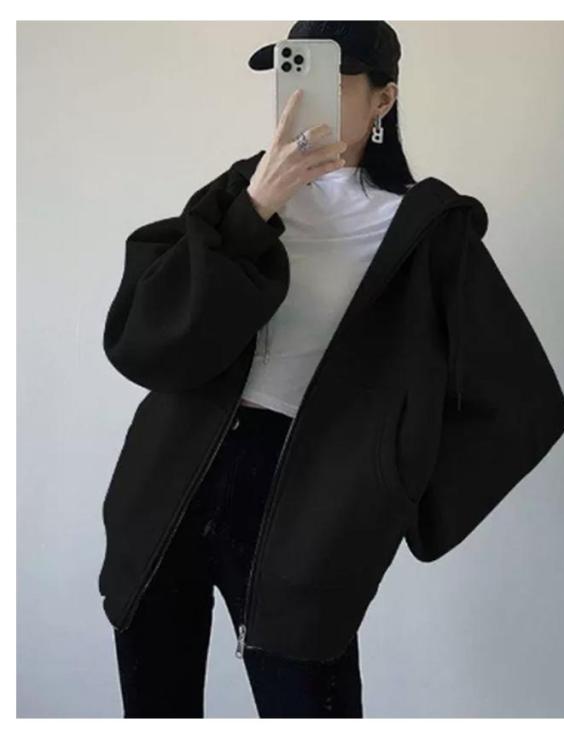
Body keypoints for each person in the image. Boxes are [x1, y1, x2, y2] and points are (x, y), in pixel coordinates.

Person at [110, 21, 413, 718]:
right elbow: (147, 334)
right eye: (291, 77)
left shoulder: (412, 224)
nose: (299, 100)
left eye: (330, 82)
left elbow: (479, 388)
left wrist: (383, 489)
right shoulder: (235, 195)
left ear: (383, 99)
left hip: (297, 486)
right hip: (172, 471)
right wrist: (256, 208)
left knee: (311, 707)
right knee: (156, 711)